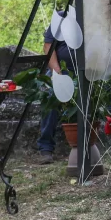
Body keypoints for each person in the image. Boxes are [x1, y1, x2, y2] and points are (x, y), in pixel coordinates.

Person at [37, 11, 77, 164]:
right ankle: (45, 147)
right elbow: (48, 46)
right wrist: (58, 73)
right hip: (61, 69)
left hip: (87, 72)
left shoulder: (95, 17)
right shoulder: (62, 16)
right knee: (50, 94)